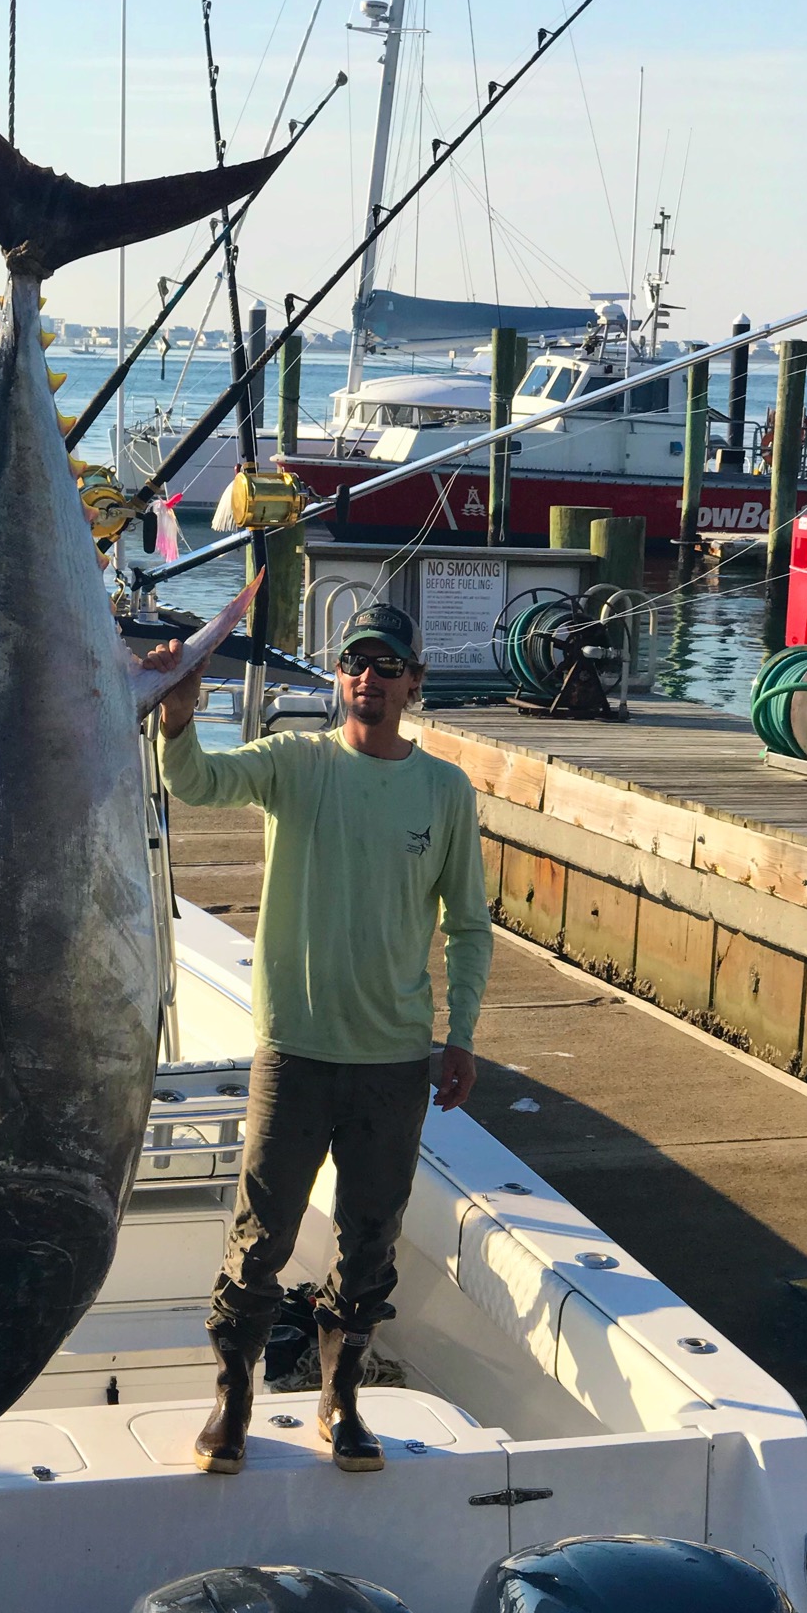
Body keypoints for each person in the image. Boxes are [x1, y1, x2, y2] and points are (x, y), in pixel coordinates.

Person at [150, 602, 493, 1476]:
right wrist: (178, 718)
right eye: (353, 663)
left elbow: (469, 927)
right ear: (339, 679)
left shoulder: (445, 791)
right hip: (295, 1050)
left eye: (386, 663)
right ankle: (234, 1396)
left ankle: (341, 1396)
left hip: (392, 1058)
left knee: (370, 1238)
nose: (367, 677)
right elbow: (196, 785)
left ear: (415, 682)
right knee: (260, 1234)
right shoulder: (294, 764)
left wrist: (460, 1035)